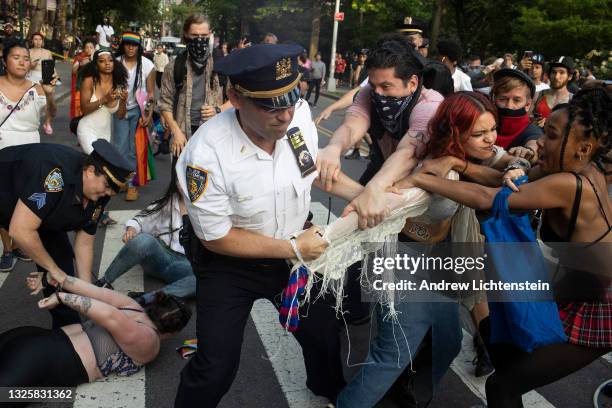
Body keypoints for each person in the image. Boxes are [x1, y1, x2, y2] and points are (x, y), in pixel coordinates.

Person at [174, 43, 366, 408]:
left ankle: (330, 393)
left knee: (323, 332)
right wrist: (293, 247)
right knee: (216, 365)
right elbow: (216, 238)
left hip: (295, 255)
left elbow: (312, 172)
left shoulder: (297, 119)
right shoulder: (206, 154)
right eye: (269, 106)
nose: (284, 115)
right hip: (231, 265)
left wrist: (365, 194)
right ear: (235, 97)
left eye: (290, 99)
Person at [398, 87, 611, 408]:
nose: (540, 141)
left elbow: (489, 199)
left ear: (583, 148)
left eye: (551, 136)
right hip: (574, 288)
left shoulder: (571, 184)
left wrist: (419, 180)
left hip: (599, 307)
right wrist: (458, 163)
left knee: (502, 385)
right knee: (500, 342)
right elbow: (501, 180)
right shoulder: (571, 170)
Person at [315, 33, 447, 406]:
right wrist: (333, 147)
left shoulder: (430, 105)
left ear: (412, 83)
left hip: (422, 195)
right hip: (385, 180)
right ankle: (367, 316)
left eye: (388, 86)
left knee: (421, 302)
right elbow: (352, 124)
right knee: (375, 254)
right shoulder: (369, 95)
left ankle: (408, 369)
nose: (380, 93)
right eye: (374, 85)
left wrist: (373, 190)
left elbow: (408, 150)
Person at [0, 140, 133, 328]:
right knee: (57, 271)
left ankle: (68, 332)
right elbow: (20, 230)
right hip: (6, 192)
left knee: (64, 274)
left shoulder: (100, 193)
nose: (109, 193)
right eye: (107, 185)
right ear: (89, 171)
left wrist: (88, 295)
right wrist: (53, 270)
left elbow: (84, 243)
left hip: (44, 215)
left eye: (114, 189)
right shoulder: (54, 176)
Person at [0, 266, 191, 389]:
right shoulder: (149, 342)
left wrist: (59, 280)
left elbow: (94, 292)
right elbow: (109, 314)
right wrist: (58, 288)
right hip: (43, 357)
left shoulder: (132, 306)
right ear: (175, 331)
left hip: (34, 339)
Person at [96, 159, 195, 304]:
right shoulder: (167, 202)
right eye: (181, 180)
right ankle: (104, 282)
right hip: (160, 258)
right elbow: (138, 220)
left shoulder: (208, 208)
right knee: (143, 240)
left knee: (201, 281)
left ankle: (146, 299)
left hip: (185, 266)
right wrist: (131, 230)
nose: (184, 186)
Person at [0, 40, 57, 272]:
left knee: (25, 200)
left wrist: (50, 94)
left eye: (25, 58)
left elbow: (50, 114)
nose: (22, 62)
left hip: (30, 148)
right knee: (2, 202)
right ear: (4, 61)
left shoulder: (37, 87)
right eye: (16, 57)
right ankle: (7, 249)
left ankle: (21, 241)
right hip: (2, 147)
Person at [159, 14, 225, 158]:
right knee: (181, 179)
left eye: (204, 35)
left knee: (212, 179)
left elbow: (239, 97)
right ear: (186, 35)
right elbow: (165, 103)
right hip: (182, 135)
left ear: (210, 34)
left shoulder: (222, 64)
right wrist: (176, 132)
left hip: (215, 135)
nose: (200, 39)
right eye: (195, 35)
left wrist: (218, 109)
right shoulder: (174, 66)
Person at [113, 32, 156, 201]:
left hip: (138, 110)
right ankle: (122, 178)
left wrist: (149, 113)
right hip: (119, 109)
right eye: (127, 44)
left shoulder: (147, 65)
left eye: (134, 45)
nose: (131, 47)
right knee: (120, 147)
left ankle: (131, 185)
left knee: (133, 149)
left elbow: (151, 92)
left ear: (139, 47)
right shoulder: (115, 63)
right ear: (122, 45)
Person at [77, 49, 128, 153]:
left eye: (110, 60)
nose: (107, 63)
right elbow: (84, 109)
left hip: (105, 134)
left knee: (98, 167)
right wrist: (105, 99)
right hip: (87, 130)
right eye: (102, 61)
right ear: (96, 64)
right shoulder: (89, 81)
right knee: (96, 160)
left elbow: (120, 116)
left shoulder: (118, 84)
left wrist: (123, 101)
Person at [491, 68, 543, 152]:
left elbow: (534, 144)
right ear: (494, 99)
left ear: (527, 105)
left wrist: (528, 151)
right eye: (503, 99)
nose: (509, 106)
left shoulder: (532, 131)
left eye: (516, 100)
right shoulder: (483, 124)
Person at [27, 31, 55, 138]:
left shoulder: (47, 52)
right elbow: (24, 66)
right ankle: (33, 123)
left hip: (45, 77)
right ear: (32, 41)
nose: (38, 41)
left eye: (40, 39)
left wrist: (55, 77)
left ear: (42, 41)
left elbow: (52, 66)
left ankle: (47, 123)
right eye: (35, 39)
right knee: (32, 102)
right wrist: (31, 65)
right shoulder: (28, 51)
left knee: (48, 102)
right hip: (31, 77)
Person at [533, 56, 574, 124]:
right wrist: (533, 121)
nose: (556, 77)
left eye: (561, 72)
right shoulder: (537, 95)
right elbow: (526, 120)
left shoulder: (573, 101)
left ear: (570, 76)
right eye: (554, 72)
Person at [70, 38, 96, 119]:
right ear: (84, 49)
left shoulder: (98, 58)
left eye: (91, 47)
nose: (89, 49)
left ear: (95, 48)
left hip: (94, 89)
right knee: (79, 110)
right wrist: (80, 63)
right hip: (80, 88)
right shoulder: (79, 57)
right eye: (87, 47)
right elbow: (73, 71)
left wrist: (91, 60)